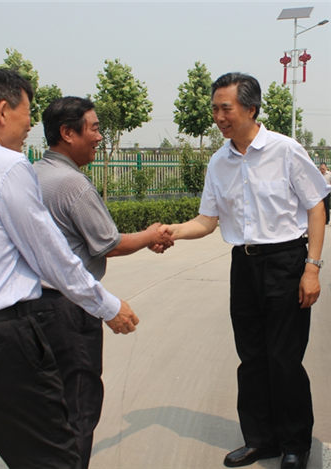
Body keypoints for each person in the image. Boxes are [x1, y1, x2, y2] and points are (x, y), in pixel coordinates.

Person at [0, 66, 139, 469]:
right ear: (2, 111)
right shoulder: (6, 166)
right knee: (51, 457)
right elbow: (51, 255)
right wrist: (108, 307)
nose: (30, 125)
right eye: (27, 112)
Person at [159, 73, 330, 469]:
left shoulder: (285, 151)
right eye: (215, 109)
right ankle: (260, 440)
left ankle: (295, 443)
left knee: (284, 358)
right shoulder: (219, 162)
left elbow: (316, 207)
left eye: (226, 108)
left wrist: (312, 267)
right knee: (251, 357)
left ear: (251, 109)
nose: (219, 117)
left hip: (286, 262)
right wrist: (172, 232)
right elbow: (206, 220)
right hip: (244, 265)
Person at [33, 96, 173, 469]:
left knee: (45, 406)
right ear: (68, 133)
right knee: (78, 405)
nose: (99, 137)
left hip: (30, 309)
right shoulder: (72, 184)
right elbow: (108, 244)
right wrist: (151, 234)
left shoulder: (32, 175)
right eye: (94, 129)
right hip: (70, 309)